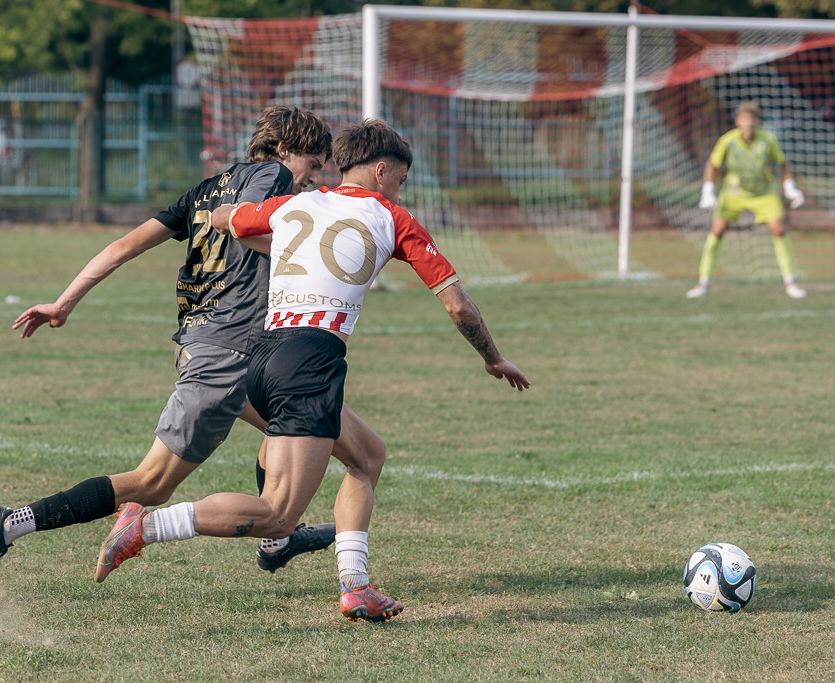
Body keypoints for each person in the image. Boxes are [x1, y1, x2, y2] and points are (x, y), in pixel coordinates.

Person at [94, 118, 531, 623]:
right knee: (277, 514)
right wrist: (492, 358)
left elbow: (224, 219)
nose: (400, 189)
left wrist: (271, 236)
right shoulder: (394, 218)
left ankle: (356, 586)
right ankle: (143, 529)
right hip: (310, 360)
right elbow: (460, 309)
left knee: (367, 457)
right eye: (402, 180)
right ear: (383, 171)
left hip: (260, 355)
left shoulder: (298, 204)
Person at [0, 106, 387, 595]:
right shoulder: (272, 177)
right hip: (228, 352)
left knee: (354, 448)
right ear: (284, 150)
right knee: (151, 483)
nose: (313, 178)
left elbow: (124, 245)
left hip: (236, 349)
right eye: (312, 164)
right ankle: (9, 522)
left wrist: (64, 302)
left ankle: (278, 537)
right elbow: (251, 227)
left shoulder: (204, 190)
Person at [686, 101, 807, 299]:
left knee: (779, 229)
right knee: (717, 231)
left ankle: (790, 282)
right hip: (734, 193)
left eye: (752, 119)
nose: (748, 123)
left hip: (764, 192)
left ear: (757, 122)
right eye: (744, 119)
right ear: (737, 122)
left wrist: (790, 188)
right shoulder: (728, 141)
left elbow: (783, 163)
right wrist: (708, 190)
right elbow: (712, 164)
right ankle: (703, 282)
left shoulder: (767, 140)